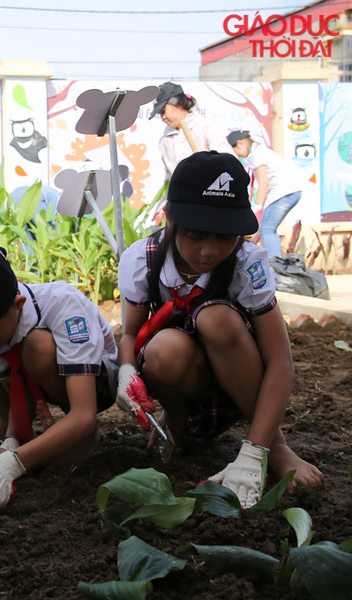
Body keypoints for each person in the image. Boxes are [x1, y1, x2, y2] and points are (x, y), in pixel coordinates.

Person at [116, 150, 323, 509]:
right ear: (169, 219)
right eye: (195, 235)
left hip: (240, 383)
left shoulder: (246, 264)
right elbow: (131, 335)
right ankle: (177, 420)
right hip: (183, 377)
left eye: (225, 237)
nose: (210, 251)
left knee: (215, 318)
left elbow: (280, 362)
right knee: (162, 349)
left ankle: (273, 446)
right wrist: (125, 370)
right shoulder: (142, 259)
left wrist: (259, 450)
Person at [0, 245, 118, 516]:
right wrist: (8, 443)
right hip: (32, 376)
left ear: (18, 305)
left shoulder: (63, 303)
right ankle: (11, 431)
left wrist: (12, 465)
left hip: (92, 384)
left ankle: (81, 439)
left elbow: (84, 414)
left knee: (37, 346)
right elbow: (15, 388)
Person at [228, 130, 303, 257]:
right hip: (288, 192)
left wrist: (258, 207)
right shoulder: (260, 151)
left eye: (235, 150)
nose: (237, 154)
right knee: (265, 228)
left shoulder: (256, 155)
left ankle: (273, 264)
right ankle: (273, 261)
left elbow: (263, 181)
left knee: (267, 229)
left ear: (240, 144)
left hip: (283, 193)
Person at [151, 82, 232, 179]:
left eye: (164, 111)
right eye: (160, 114)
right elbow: (170, 176)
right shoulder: (165, 141)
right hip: (182, 188)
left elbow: (228, 160)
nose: (163, 117)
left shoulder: (205, 126)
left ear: (178, 103)